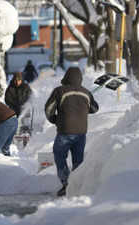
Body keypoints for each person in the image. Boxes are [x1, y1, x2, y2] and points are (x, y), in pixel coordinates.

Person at [44, 67, 99, 196]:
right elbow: (95, 108)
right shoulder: (86, 92)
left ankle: (66, 184)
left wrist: (54, 119)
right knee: (78, 160)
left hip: (65, 131)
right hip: (81, 132)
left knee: (60, 156)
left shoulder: (59, 91)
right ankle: (77, 187)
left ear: (66, 77)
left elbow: (48, 109)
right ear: (80, 78)